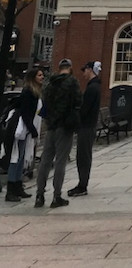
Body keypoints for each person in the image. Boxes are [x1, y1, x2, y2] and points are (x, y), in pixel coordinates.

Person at [35, 57, 82, 208]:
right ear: (70, 68)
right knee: (60, 161)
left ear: (59, 67)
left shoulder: (50, 83)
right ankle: (56, 196)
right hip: (64, 126)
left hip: (51, 126)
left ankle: (39, 195)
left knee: (45, 161)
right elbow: (78, 102)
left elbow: (45, 103)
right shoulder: (72, 82)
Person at [4, 66, 43, 202]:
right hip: (19, 129)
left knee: (21, 158)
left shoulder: (34, 92)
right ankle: (11, 189)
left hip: (24, 129)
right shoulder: (28, 92)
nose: (42, 77)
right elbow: (26, 114)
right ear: (33, 78)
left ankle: (18, 185)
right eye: (39, 75)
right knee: (15, 158)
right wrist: (33, 131)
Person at [69, 60, 102, 198]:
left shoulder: (92, 88)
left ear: (90, 70)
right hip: (89, 126)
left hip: (86, 126)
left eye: (84, 70)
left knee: (83, 156)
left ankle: (82, 185)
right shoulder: (95, 86)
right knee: (84, 156)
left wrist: (75, 121)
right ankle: (82, 184)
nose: (83, 73)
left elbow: (84, 110)